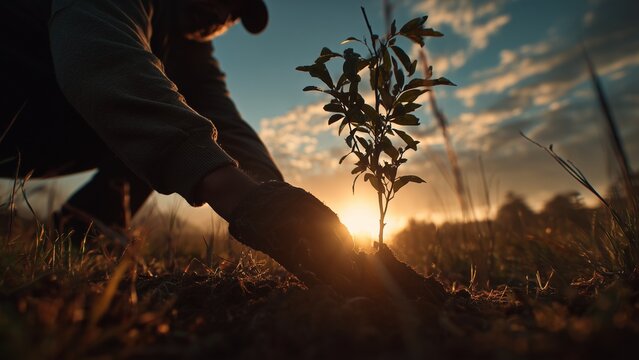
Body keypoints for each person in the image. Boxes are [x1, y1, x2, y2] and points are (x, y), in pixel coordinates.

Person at [0, 0, 447, 302]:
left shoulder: (189, 49)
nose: (222, 13)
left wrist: (276, 197)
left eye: (234, 12)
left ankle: (81, 237)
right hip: (17, 102)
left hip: (40, 131)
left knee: (176, 116)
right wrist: (242, 199)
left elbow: (225, 123)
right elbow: (101, 64)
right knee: (157, 111)